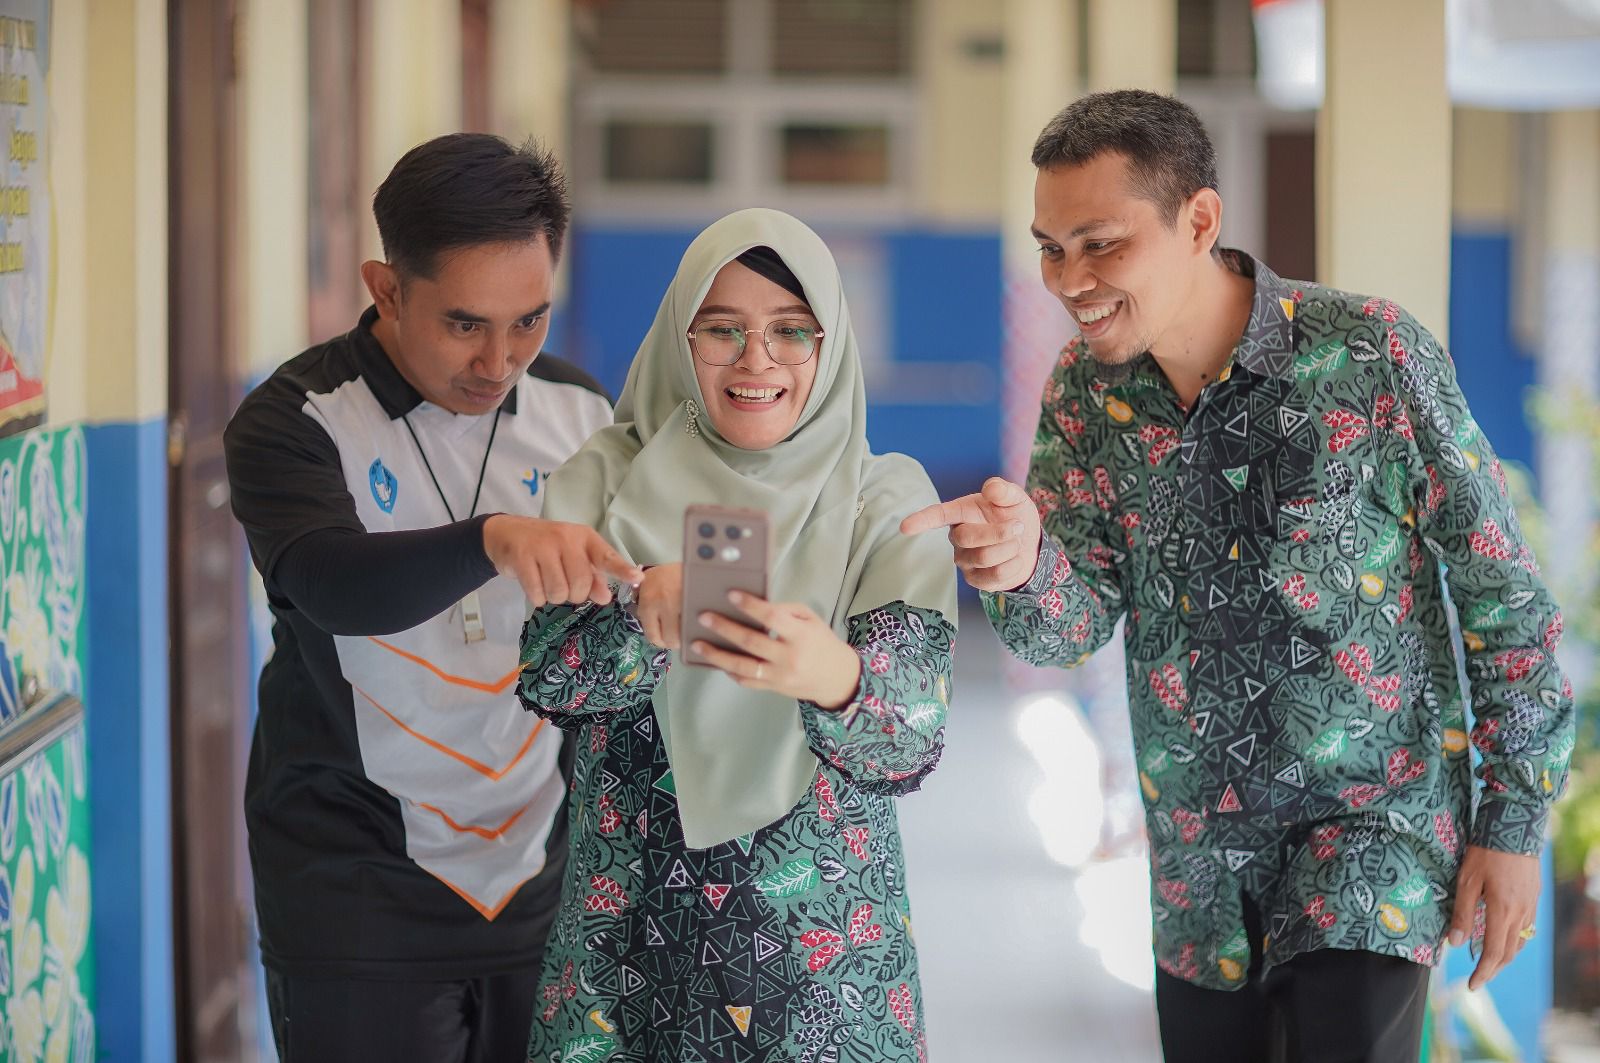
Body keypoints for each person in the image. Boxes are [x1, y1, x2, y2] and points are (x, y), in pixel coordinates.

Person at [904, 90, 1574, 1063]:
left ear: (1199, 220)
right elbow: (1069, 627)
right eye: (1051, 249)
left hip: (1371, 842)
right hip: (1198, 879)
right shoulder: (1085, 395)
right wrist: (1023, 565)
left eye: (1101, 244)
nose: (1070, 281)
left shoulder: (1369, 354)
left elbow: (1504, 599)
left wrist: (1510, 826)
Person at [223, 133, 642, 1061]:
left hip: (542, 879)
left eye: (529, 321)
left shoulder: (581, 413)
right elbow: (329, 582)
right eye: (465, 325)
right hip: (354, 891)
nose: (500, 360)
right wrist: (496, 537)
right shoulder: (297, 419)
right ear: (386, 288)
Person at [516, 208, 956, 1062]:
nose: (758, 360)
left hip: (825, 963)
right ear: (681, 340)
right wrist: (639, 618)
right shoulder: (604, 478)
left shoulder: (885, 502)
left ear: (829, 347)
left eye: (792, 331)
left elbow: (913, 738)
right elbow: (546, 676)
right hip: (625, 952)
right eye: (723, 329)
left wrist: (835, 675)